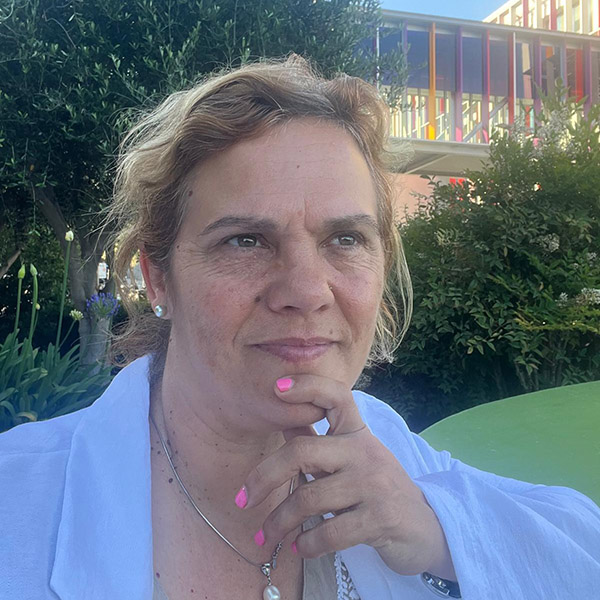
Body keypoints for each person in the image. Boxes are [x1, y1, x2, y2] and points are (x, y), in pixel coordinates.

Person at [1, 55, 599, 600]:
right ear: (158, 279)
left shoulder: (387, 451)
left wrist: (438, 530)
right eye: (245, 240)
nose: (308, 292)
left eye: (345, 239)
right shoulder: (18, 501)